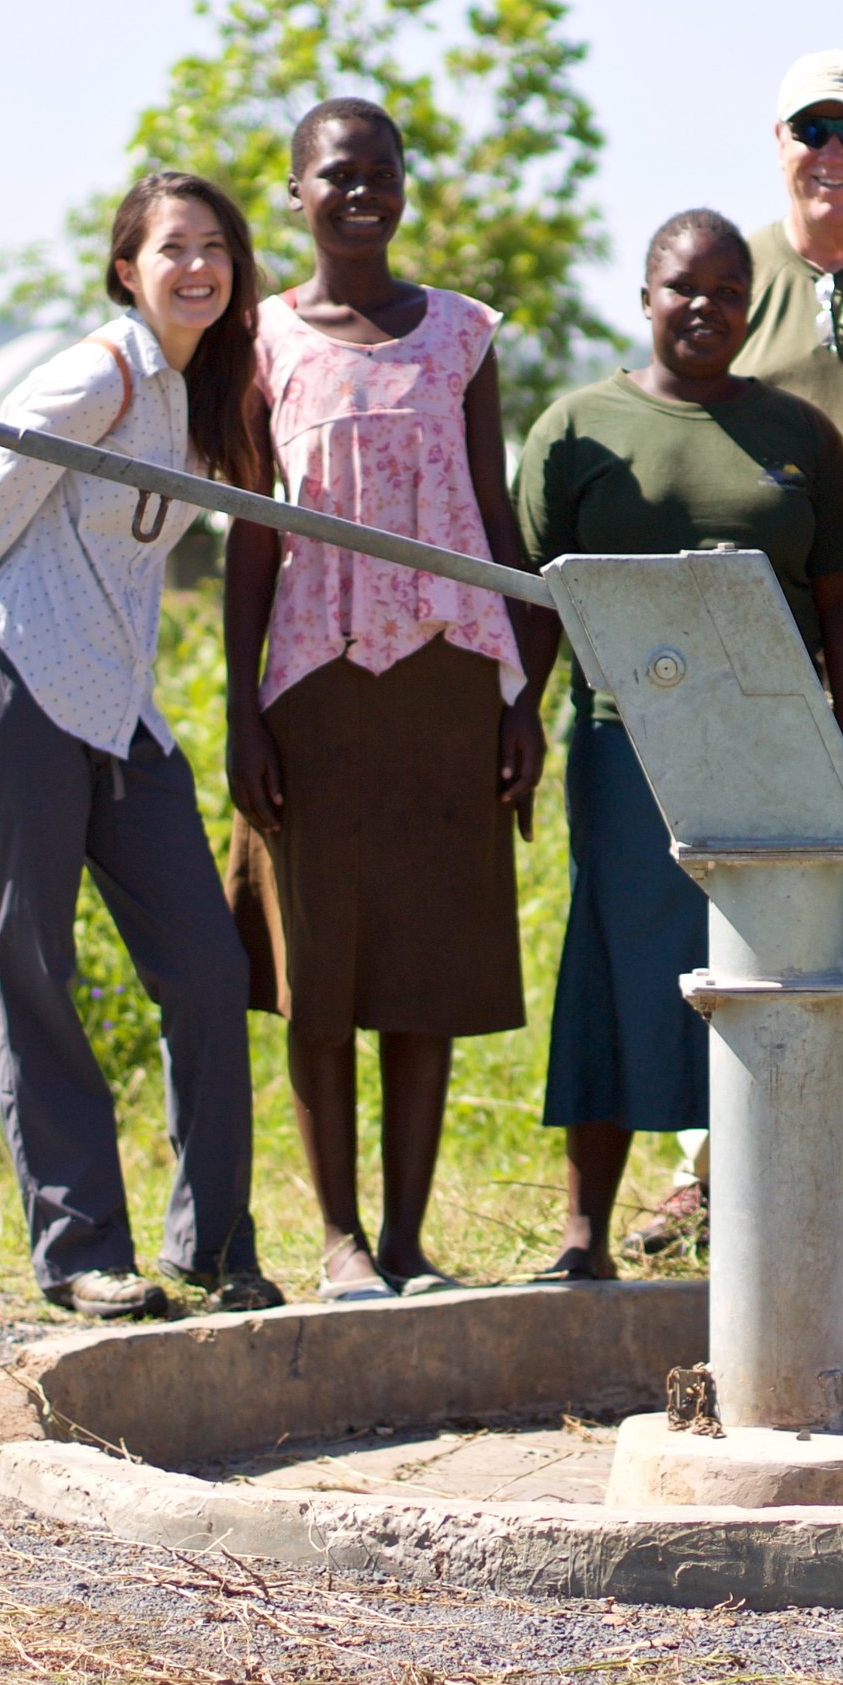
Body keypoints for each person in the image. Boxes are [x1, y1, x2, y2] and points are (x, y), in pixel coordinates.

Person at [0, 172, 281, 1321]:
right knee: (37, 971)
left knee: (209, 971)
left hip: (120, 712)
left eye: (214, 246)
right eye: (173, 248)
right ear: (128, 267)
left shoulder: (191, 389)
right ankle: (81, 1253)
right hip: (16, 688)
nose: (197, 267)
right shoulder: (96, 375)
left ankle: (212, 1246)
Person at [224, 97, 553, 1304]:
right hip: (314, 687)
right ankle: (340, 1240)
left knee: (427, 967)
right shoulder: (259, 342)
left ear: (405, 185)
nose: (362, 191)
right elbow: (250, 539)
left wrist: (521, 699)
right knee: (324, 970)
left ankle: (410, 1241)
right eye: (336, 174)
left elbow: (494, 514)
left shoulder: (462, 333)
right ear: (297, 194)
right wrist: (239, 711)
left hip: (450, 679)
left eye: (382, 172)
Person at [518, 209, 843, 1279]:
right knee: (617, 960)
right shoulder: (578, 426)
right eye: (684, 287)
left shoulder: (794, 433)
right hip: (628, 746)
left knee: (769, 974)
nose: (706, 308)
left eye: (729, 290)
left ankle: (763, 1221)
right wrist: (517, 723)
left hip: (775, 745)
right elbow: (531, 599)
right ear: (644, 296)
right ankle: (583, 1229)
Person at [639, 49, 843, 1264]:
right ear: (777, 141)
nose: (831, 153)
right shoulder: (728, 273)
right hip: (747, 649)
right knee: (737, 909)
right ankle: (710, 1168)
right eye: (810, 129)